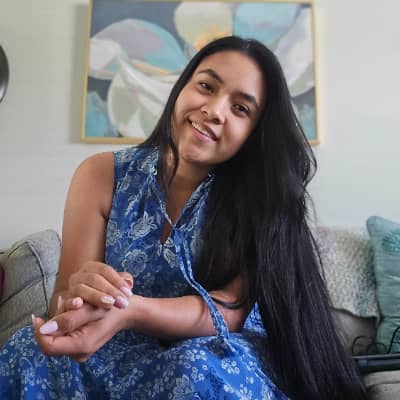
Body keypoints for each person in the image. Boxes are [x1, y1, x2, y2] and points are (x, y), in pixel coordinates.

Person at [0, 36, 366, 399]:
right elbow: (64, 298)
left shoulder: (261, 198)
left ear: (254, 132)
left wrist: (132, 310)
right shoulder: (99, 174)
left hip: (214, 349)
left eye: (240, 108)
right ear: (181, 88)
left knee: (191, 369)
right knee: (29, 351)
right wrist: (80, 301)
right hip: (116, 346)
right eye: (206, 86)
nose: (214, 110)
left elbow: (230, 310)